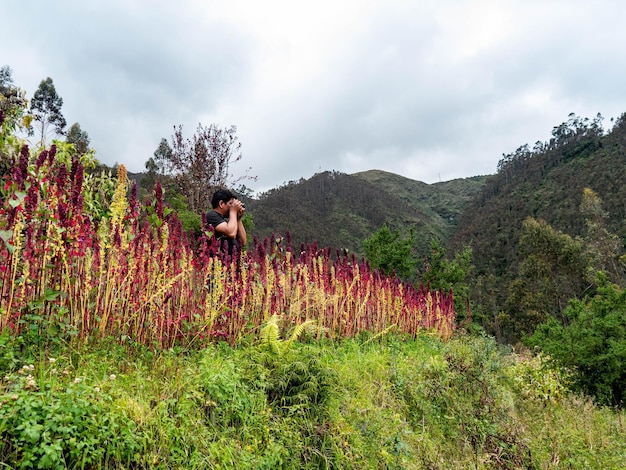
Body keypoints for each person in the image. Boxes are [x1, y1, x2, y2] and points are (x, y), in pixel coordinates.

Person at [205, 188, 247, 260]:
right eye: (231, 203)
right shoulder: (211, 215)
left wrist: (238, 219)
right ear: (221, 204)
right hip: (217, 264)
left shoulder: (226, 222)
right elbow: (231, 233)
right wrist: (233, 212)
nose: (233, 207)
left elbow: (242, 242)